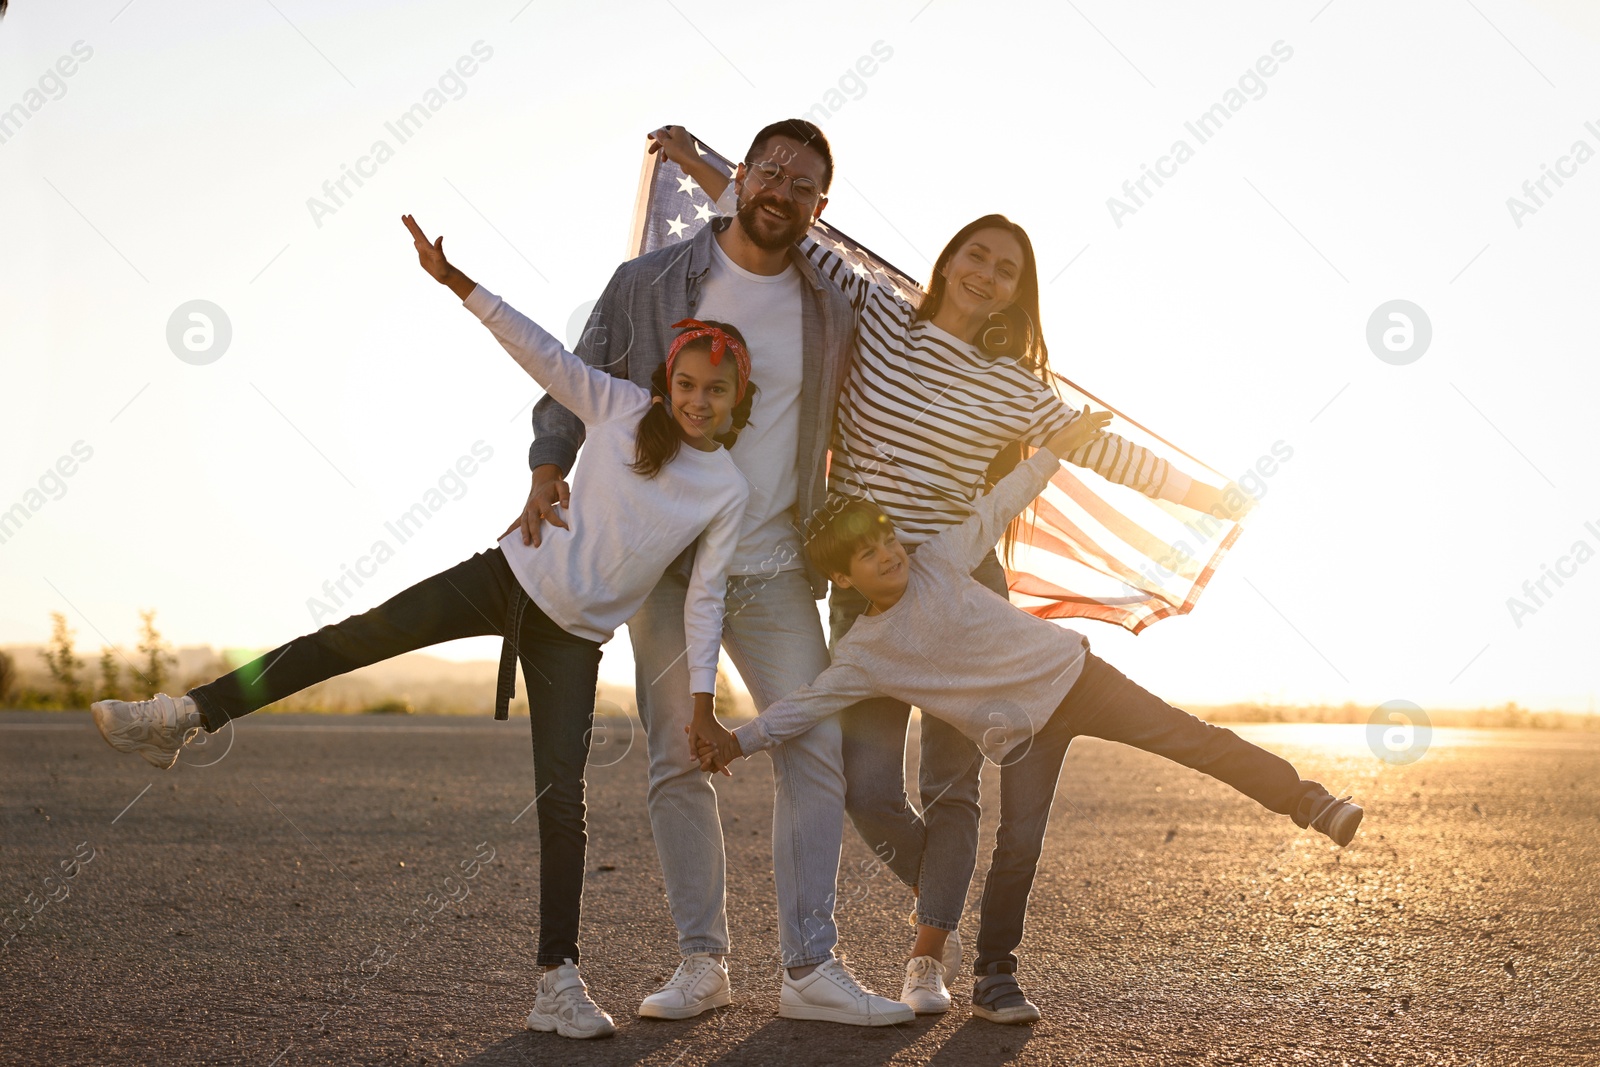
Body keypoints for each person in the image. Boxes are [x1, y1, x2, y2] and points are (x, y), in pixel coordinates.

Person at [89, 213, 761, 1041]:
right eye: (688, 383)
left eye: (716, 390)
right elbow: (544, 352)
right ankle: (185, 715)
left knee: (563, 805)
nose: (698, 399)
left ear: (737, 400)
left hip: (571, 640)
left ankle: (557, 981)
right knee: (349, 638)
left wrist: (701, 704)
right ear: (669, 379)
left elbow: (704, 599)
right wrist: (457, 284)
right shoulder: (622, 409)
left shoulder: (725, 488)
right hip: (502, 578)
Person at [650, 124, 1245, 1013]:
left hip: (964, 596)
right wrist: (699, 161)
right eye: (977, 254)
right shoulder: (875, 312)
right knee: (864, 787)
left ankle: (926, 960)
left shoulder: (1018, 389)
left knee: (951, 784)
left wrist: (1213, 496)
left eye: (1006, 269)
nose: (987, 273)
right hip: (866, 596)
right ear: (948, 260)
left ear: (1017, 292)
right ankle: (949, 890)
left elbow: (1110, 453)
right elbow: (799, 226)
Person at [690, 412, 1364, 1026]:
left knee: (1196, 739)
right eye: (868, 553)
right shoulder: (866, 654)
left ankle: (1312, 801)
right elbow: (801, 707)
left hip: (1082, 679)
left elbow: (1001, 500)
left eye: (887, 537)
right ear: (844, 576)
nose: (889, 553)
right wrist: (736, 741)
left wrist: (1055, 452)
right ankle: (994, 978)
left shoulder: (941, 558)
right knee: (1019, 845)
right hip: (1022, 733)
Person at [511, 119, 911, 1026]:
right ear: (741, 178)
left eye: (803, 184)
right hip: (665, 560)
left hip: (771, 562)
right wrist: (547, 465)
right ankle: (704, 963)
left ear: (820, 206)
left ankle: (811, 967)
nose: (782, 189)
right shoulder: (649, 283)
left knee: (814, 745)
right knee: (673, 757)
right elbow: (574, 378)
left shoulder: (831, 304)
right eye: (768, 169)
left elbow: (903, 370)